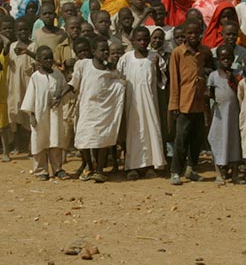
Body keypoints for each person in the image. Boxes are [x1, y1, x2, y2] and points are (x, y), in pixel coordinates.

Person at [71, 37, 125, 182]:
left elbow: (119, 83)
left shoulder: (110, 70)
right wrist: (60, 95)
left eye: (106, 50)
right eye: (102, 50)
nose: (105, 52)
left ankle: (100, 169)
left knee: (102, 139)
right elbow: (74, 82)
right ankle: (89, 165)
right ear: (94, 51)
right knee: (82, 138)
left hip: (104, 111)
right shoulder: (83, 65)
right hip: (87, 109)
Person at [116, 26, 166, 179]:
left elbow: (161, 82)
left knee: (151, 131)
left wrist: (156, 66)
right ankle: (133, 166)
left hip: (150, 103)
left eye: (146, 39)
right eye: (139, 39)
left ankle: (150, 165)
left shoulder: (155, 56)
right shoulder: (126, 58)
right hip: (132, 103)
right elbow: (119, 78)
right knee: (134, 133)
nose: (143, 42)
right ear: (133, 41)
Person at [167, 21, 211, 185]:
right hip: (183, 103)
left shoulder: (203, 52)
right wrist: (174, 105)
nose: (193, 36)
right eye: (190, 33)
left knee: (197, 138)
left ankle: (192, 168)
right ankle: (175, 171)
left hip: (199, 103)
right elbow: (174, 80)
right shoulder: (178, 53)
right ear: (184, 35)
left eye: (196, 33)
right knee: (181, 139)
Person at [20, 46, 69, 180]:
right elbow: (30, 98)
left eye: (50, 57)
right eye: (45, 58)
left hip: (54, 114)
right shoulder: (35, 77)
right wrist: (31, 115)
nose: (49, 61)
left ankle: (57, 168)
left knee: (55, 140)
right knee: (39, 141)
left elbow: (64, 90)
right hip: (39, 115)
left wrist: (59, 98)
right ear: (38, 60)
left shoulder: (58, 75)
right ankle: (41, 170)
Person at [206, 45, 242, 184]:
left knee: (234, 142)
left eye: (229, 58)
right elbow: (209, 95)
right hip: (219, 115)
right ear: (218, 60)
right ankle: (219, 173)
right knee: (217, 141)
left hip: (233, 115)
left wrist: (232, 79)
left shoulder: (236, 75)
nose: (226, 61)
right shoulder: (214, 76)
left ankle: (234, 173)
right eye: (223, 58)